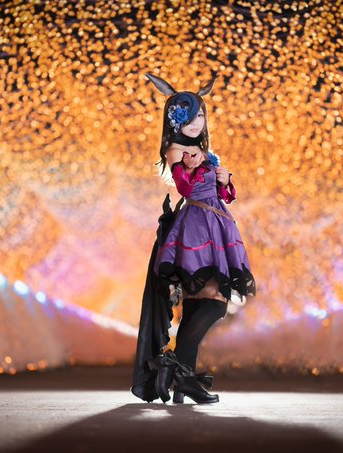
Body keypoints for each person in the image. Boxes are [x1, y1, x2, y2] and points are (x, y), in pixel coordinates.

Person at [131, 73, 256, 405]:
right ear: (176, 119)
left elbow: (225, 196)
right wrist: (195, 168)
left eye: (200, 115)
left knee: (201, 305)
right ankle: (177, 371)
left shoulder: (201, 149)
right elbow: (185, 188)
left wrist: (224, 180)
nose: (196, 122)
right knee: (213, 304)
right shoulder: (176, 149)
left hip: (215, 224)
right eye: (188, 117)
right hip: (196, 228)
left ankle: (181, 378)